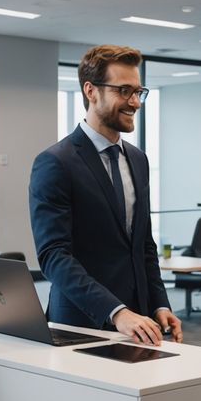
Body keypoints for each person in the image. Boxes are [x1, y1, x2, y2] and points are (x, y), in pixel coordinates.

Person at [29, 44, 183, 346]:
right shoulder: (55, 162)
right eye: (124, 91)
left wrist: (159, 304)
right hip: (81, 322)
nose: (135, 102)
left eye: (139, 92)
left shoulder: (138, 160)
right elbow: (54, 256)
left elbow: (144, 246)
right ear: (91, 90)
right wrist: (116, 312)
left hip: (140, 322)